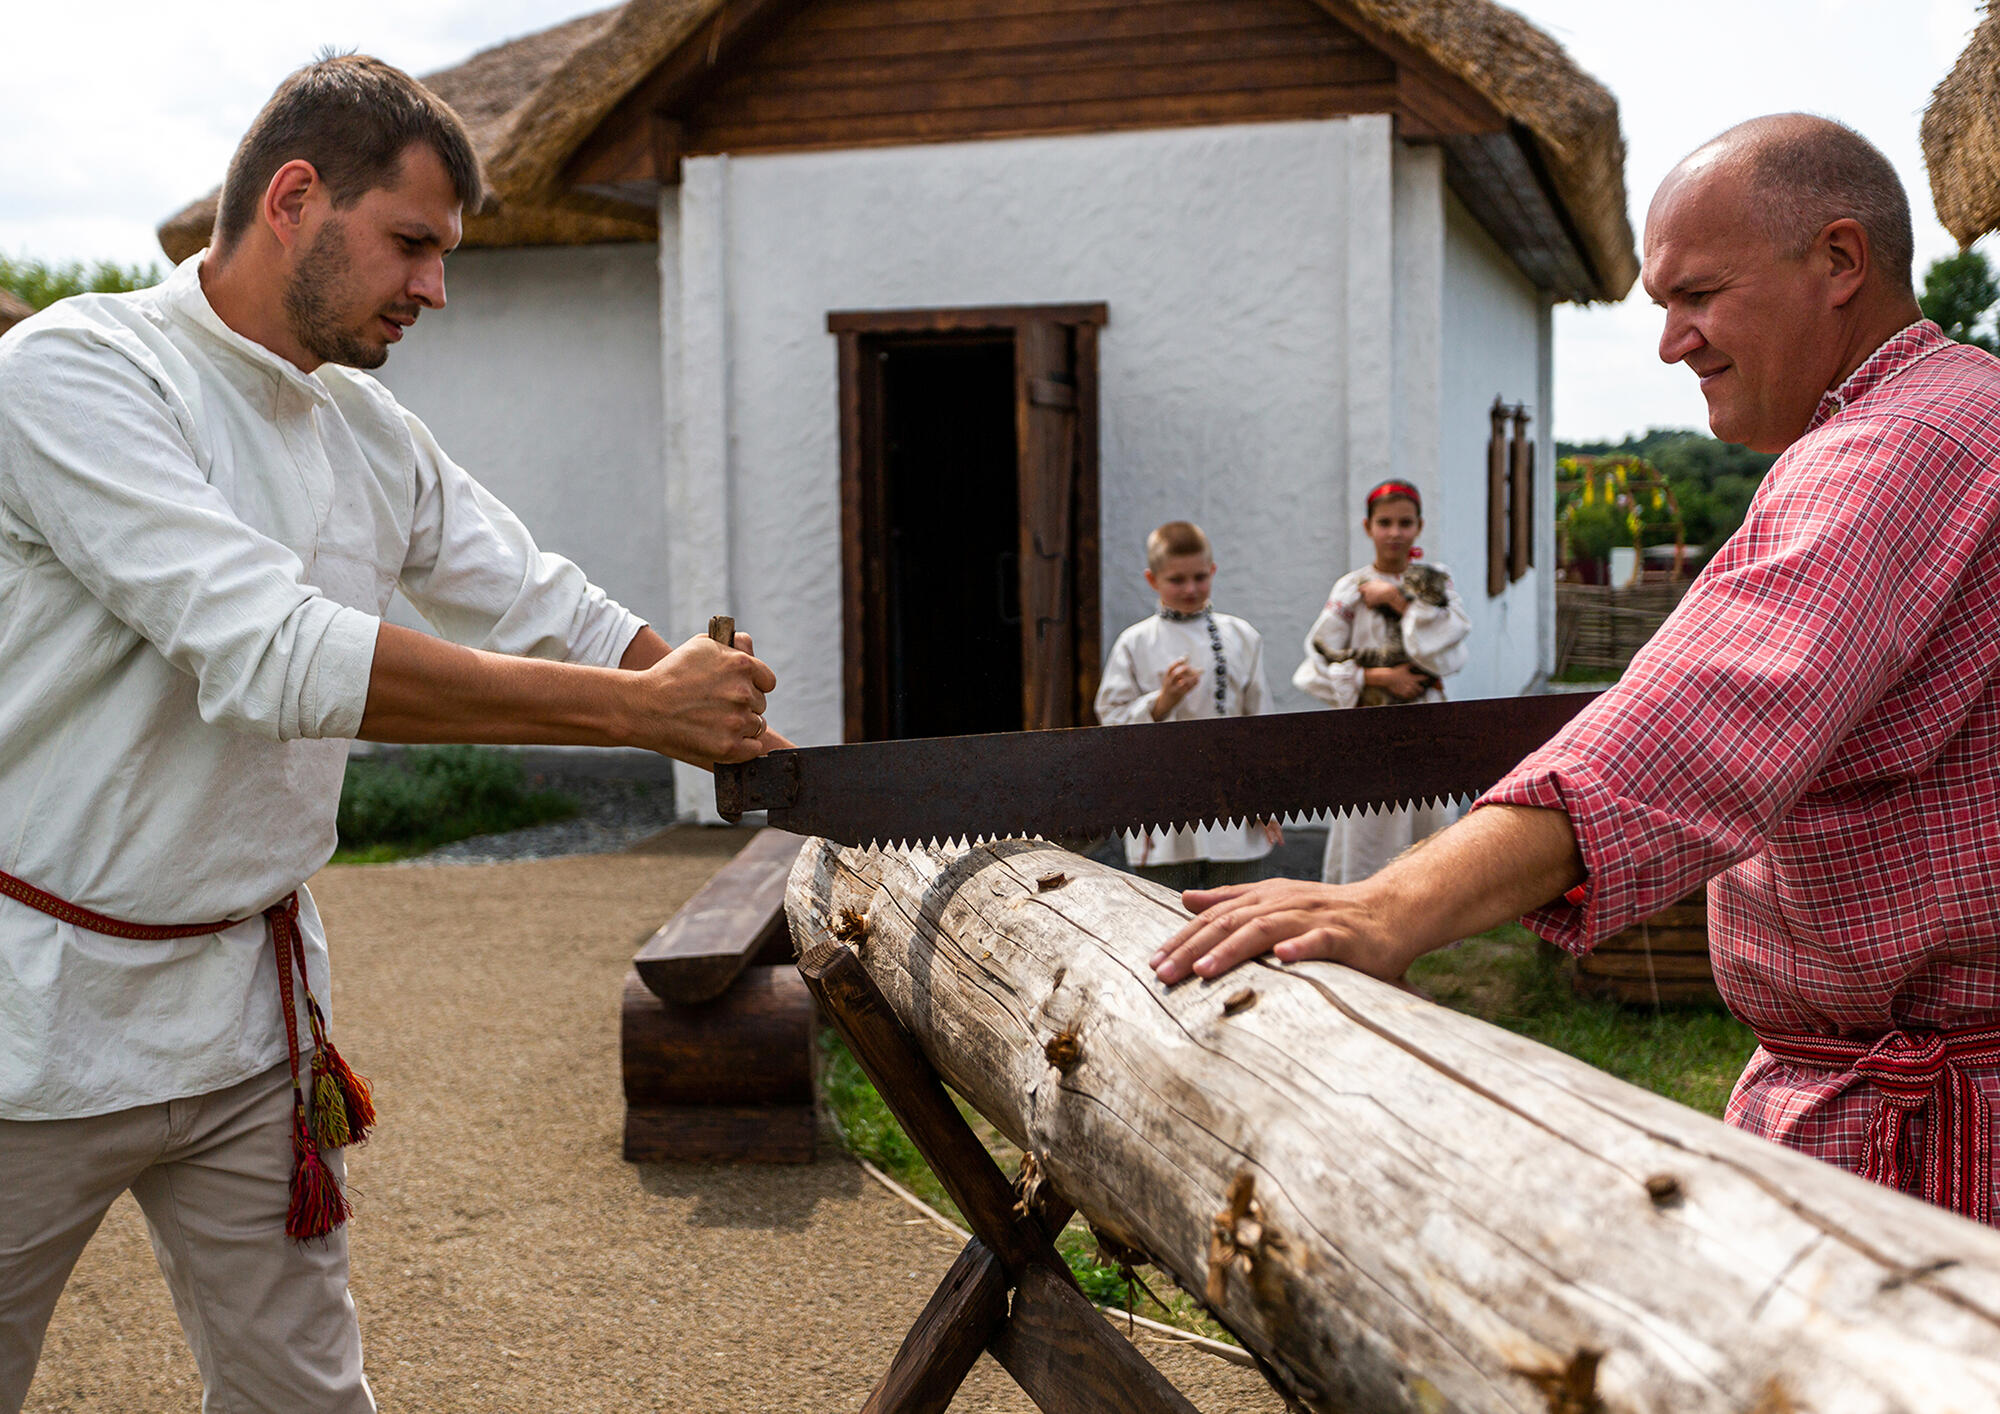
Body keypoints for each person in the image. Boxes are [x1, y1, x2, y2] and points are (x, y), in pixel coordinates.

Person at [0, 55, 788, 1413]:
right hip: (31, 1023)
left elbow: (541, 596)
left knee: (307, 1402)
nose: (436, 288)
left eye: (446, 254)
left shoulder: (366, 425)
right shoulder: (74, 373)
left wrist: (702, 693)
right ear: (294, 199)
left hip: (248, 1029)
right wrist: (639, 716)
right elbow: (272, 651)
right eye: (412, 243)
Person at [1153, 113, 2000, 1226]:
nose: (1670, 341)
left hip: (1925, 1156)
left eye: (1697, 294)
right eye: (1659, 307)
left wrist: (1389, 904)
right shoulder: (1948, 415)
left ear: (1837, 261)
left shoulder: (1894, 448)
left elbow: (1694, 725)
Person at [1294, 481, 1471, 884]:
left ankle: (1424, 916)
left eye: (1405, 523)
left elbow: (1446, 644)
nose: (1395, 532)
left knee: (1426, 819)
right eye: (1385, 522)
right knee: (1367, 820)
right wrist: (1379, 677)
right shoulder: (1350, 588)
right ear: (1368, 526)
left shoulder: (1435, 581)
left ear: (1419, 526)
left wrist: (1396, 600)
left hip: (1423, 722)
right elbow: (1316, 659)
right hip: (1368, 722)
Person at [1095, 521, 1281, 890]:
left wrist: (1267, 798)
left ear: (1213, 572)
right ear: (1152, 580)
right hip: (1163, 809)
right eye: (1177, 580)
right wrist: (1161, 702)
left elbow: (1262, 724)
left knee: (1237, 914)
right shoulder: (1135, 643)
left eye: (1200, 577)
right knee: (1166, 919)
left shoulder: (1241, 636)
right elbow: (1111, 723)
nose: (1191, 589)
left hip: (1235, 807)